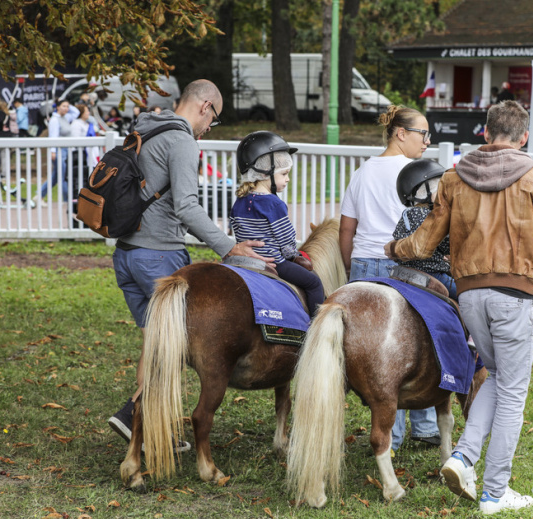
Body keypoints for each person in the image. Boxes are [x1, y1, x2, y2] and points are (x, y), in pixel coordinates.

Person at [384, 100, 533, 514]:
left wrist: (393, 247)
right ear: (523, 138)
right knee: (513, 393)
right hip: (514, 294)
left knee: (497, 377)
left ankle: (463, 458)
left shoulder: (452, 177)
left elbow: (424, 242)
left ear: (485, 133)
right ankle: (496, 491)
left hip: (469, 295)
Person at [107, 79, 271, 451]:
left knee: (155, 343)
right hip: (160, 256)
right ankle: (134, 415)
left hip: (127, 254)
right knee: (171, 351)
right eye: (213, 120)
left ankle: (152, 430)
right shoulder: (181, 140)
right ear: (204, 107)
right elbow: (187, 207)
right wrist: (230, 248)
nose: (209, 128)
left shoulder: (146, 128)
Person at [339, 104, 441, 451]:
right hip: (404, 265)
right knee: (417, 345)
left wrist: (350, 269)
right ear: (401, 134)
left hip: (363, 265)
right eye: (423, 134)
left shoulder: (362, 172)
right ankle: (421, 426)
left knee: (380, 353)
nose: (428, 141)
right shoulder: (418, 174)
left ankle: (402, 429)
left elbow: (347, 229)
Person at [229, 131, 324, 317]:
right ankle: (316, 328)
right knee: (314, 283)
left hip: (243, 261)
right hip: (274, 262)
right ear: (265, 174)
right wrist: (293, 255)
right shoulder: (274, 204)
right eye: (284, 173)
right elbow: (286, 243)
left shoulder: (239, 200)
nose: (288, 179)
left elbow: (238, 233)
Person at [393, 159, 455, 298]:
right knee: (466, 294)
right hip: (432, 275)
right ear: (422, 191)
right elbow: (446, 243)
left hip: (405, 272)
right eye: (437, 187)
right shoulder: (430, 217)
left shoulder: (407, 214)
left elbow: (397, 237)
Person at [36, 99, 73, 204]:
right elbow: (53, 136)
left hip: (65, 151)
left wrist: (65, 98)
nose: (66, 108)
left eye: (67, 106)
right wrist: (53, 151)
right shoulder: (55, 120)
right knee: (62, 177)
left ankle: (39, 196)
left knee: (56, 177)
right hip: (58, 151)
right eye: (64, 106)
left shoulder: (65, 117)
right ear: (57, 107)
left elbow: (76, 113)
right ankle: (67, 200)